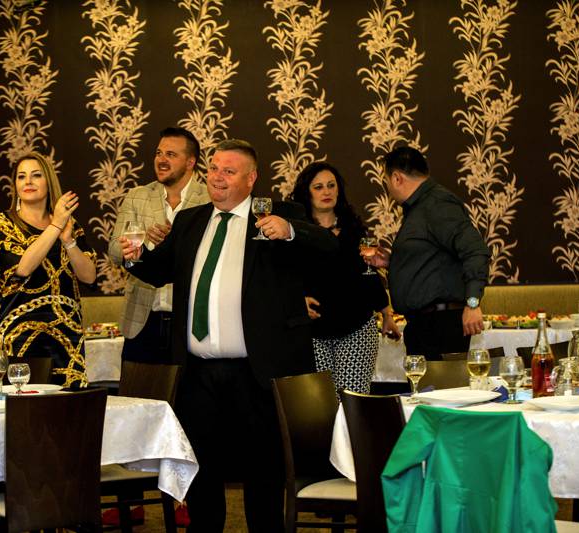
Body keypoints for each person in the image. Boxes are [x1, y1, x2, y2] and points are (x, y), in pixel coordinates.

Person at [119, 139, 336, 532]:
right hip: (197, 374)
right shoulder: (190, 220)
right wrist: (137, 258)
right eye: (214, 168)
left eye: (229, 171)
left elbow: (328, 248)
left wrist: (290, 231)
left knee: (263, 476)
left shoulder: (278, 215)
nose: (217, 177)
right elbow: (159, 270)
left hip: (257, 373)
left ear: (251, 179)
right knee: (202, 474)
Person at [364, 146, 490, 360]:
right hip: (425, 325)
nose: (388, 188)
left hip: (440, 325)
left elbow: (475, 251)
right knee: (424, 383)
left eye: (386, 181)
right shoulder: (420, 207)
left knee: (443, 383)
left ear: (396, 178)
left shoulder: (436, 204)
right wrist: (393, 262)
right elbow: (434, 260)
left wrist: (473, 303)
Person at [0, 152, 97, 387]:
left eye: (36, 175)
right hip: (19, 335)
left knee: (68, 404)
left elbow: (89, 276)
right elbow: (24, 268)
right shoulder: (4, 226)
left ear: (49, 181)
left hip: (66, 333)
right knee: (24, 406)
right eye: (21, 176)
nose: (28, 181)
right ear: (15, 185)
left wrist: (68, 241)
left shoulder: (70, 224)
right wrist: (56, 225)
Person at [291, 161, 399, 394]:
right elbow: (283, 275)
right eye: (318, 187)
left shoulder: (353, 228)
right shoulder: (295, 231)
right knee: (321, 405)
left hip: (357, 329)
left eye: (331, 185)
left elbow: (368, 275)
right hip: (312, 332)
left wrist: (387, 314)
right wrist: (295, 301)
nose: (326, 192)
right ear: (307, 193)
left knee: (351, 402)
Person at [109, 127, 209, 364]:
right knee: (137, 388)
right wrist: (141, 245)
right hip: (142, 321)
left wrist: (172, 244)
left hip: (190, 322)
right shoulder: (137, 195)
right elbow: (114, 250)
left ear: (190, 162)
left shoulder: (209, 199)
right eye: (158, 153)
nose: (161, 160)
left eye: (171, 154)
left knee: (187, 389)